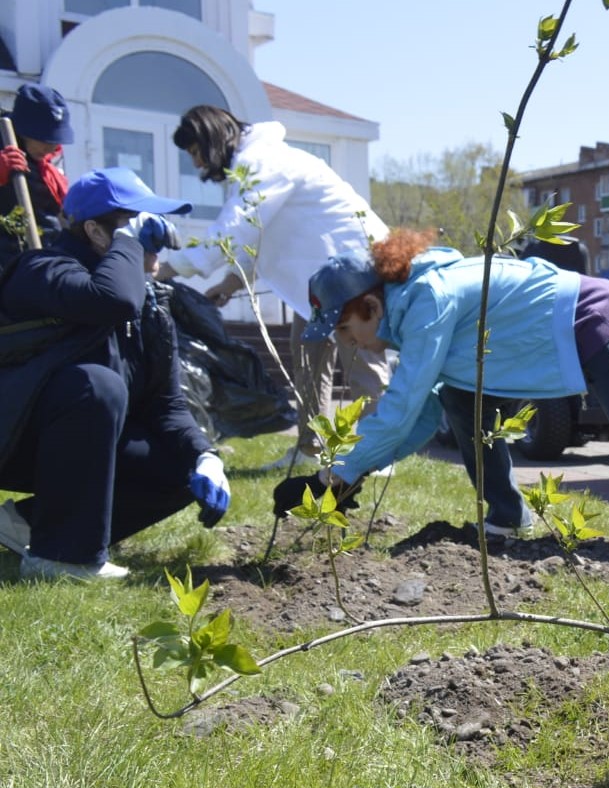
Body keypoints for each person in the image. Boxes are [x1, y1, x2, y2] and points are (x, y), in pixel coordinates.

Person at [271, 229, 609, 534]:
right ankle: (509, 517)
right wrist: (355, 470)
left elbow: (403, 402)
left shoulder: (429, 300)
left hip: (599, 323)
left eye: (346, 330)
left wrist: (341, 471)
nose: (348, 343)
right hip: (562, 338)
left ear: (370, 307)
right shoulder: (416, 308)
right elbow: (425, 414)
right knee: (460, 402)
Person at [0, 168, 231, 581]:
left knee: (179, 466)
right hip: (16, 437)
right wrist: (126, 242)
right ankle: (63, 557)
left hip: (80, 442)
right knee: (95, 383)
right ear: (95, 231)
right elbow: (111, 299)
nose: (157, 250)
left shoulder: (148, 310)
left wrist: (203, 455)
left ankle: (26, 524)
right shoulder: (42, 270)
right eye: (141, 230)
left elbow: (167, 404)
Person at [156, 105, 392, 471]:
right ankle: (310, 449)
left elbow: (232, 232)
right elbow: (260, 234)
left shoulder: (266, 162)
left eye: (195, 152)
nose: (197, 164)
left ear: (211, 139)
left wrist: (166, 268)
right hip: (318, 283)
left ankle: (378, 456)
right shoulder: (254, 167)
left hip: (351, 271)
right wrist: (232, 283)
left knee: (360, 360)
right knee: (307, 355)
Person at [0, 84, 73, 266]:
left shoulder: (51, 161)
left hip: (44, 256)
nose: (51, 147)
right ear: (23, 129)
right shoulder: (4, 143)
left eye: (55, 139)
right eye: (44, 138)